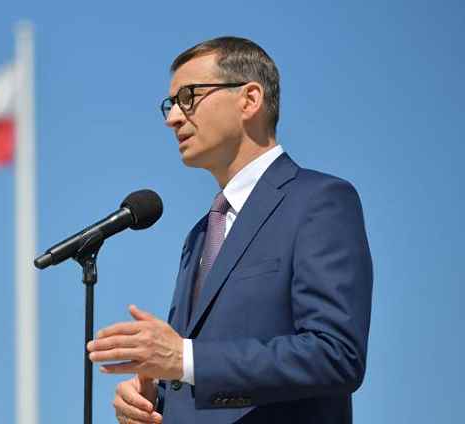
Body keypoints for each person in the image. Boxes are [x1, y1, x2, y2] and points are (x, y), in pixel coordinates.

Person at [86, 36, 373, 423]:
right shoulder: (200, 234)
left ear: (250, 99)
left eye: (189, 97)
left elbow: (336, 354)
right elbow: (196, 370)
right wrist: (154, 399)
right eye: (170, 104)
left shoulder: (319, 201)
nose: (173, 118)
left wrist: (183, 358)